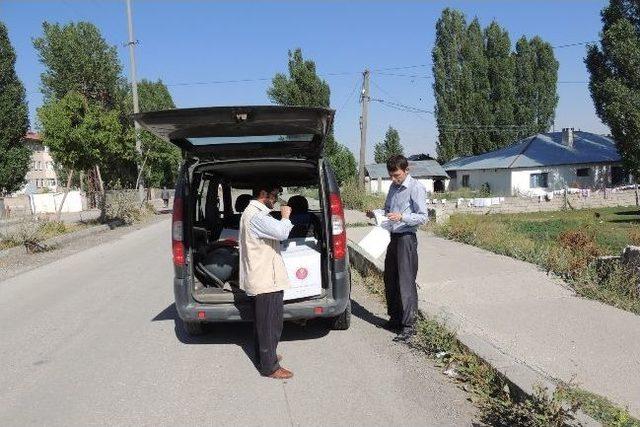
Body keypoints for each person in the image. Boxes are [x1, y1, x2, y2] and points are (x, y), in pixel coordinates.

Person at [366, 155, 428, 342]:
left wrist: (402, 217)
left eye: (397, 175)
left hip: (406, 238)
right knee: (390, 278)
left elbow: (423, 217)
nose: (394, 179)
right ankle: (395, 318)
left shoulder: (416, 188)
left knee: (405, 281)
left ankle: (409, 325)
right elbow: (387, 210)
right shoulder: (393, 187)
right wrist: (376, 213)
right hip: (392, 237)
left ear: (406, 170)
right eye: (391, 175)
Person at [238, 184, 294, 379]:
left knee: (263, 323)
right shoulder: (257, 216)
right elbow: (282, 233)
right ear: (263, 194)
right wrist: (286, 216)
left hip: (262, 276)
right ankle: (269, 367)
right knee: (271, 323)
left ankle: (265, 355)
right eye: (275, 195)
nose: (276, 200)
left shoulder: (253, 213)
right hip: (265, 278)